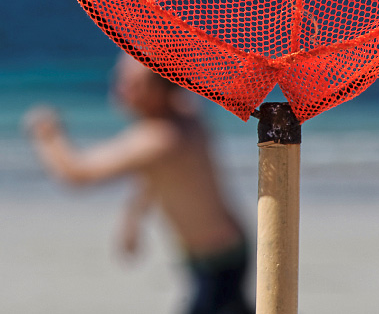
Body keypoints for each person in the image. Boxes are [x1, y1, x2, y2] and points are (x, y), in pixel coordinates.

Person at [24, 54, 250, 314]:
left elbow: (77, 174)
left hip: (218, 259)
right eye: (120, 78)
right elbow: (155, 174)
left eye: (133, 84)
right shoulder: (185, 114)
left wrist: (47, 135)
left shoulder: (158, 138)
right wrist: (133, 218)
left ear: (162, 91)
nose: (121, 89)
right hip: (220, 251)